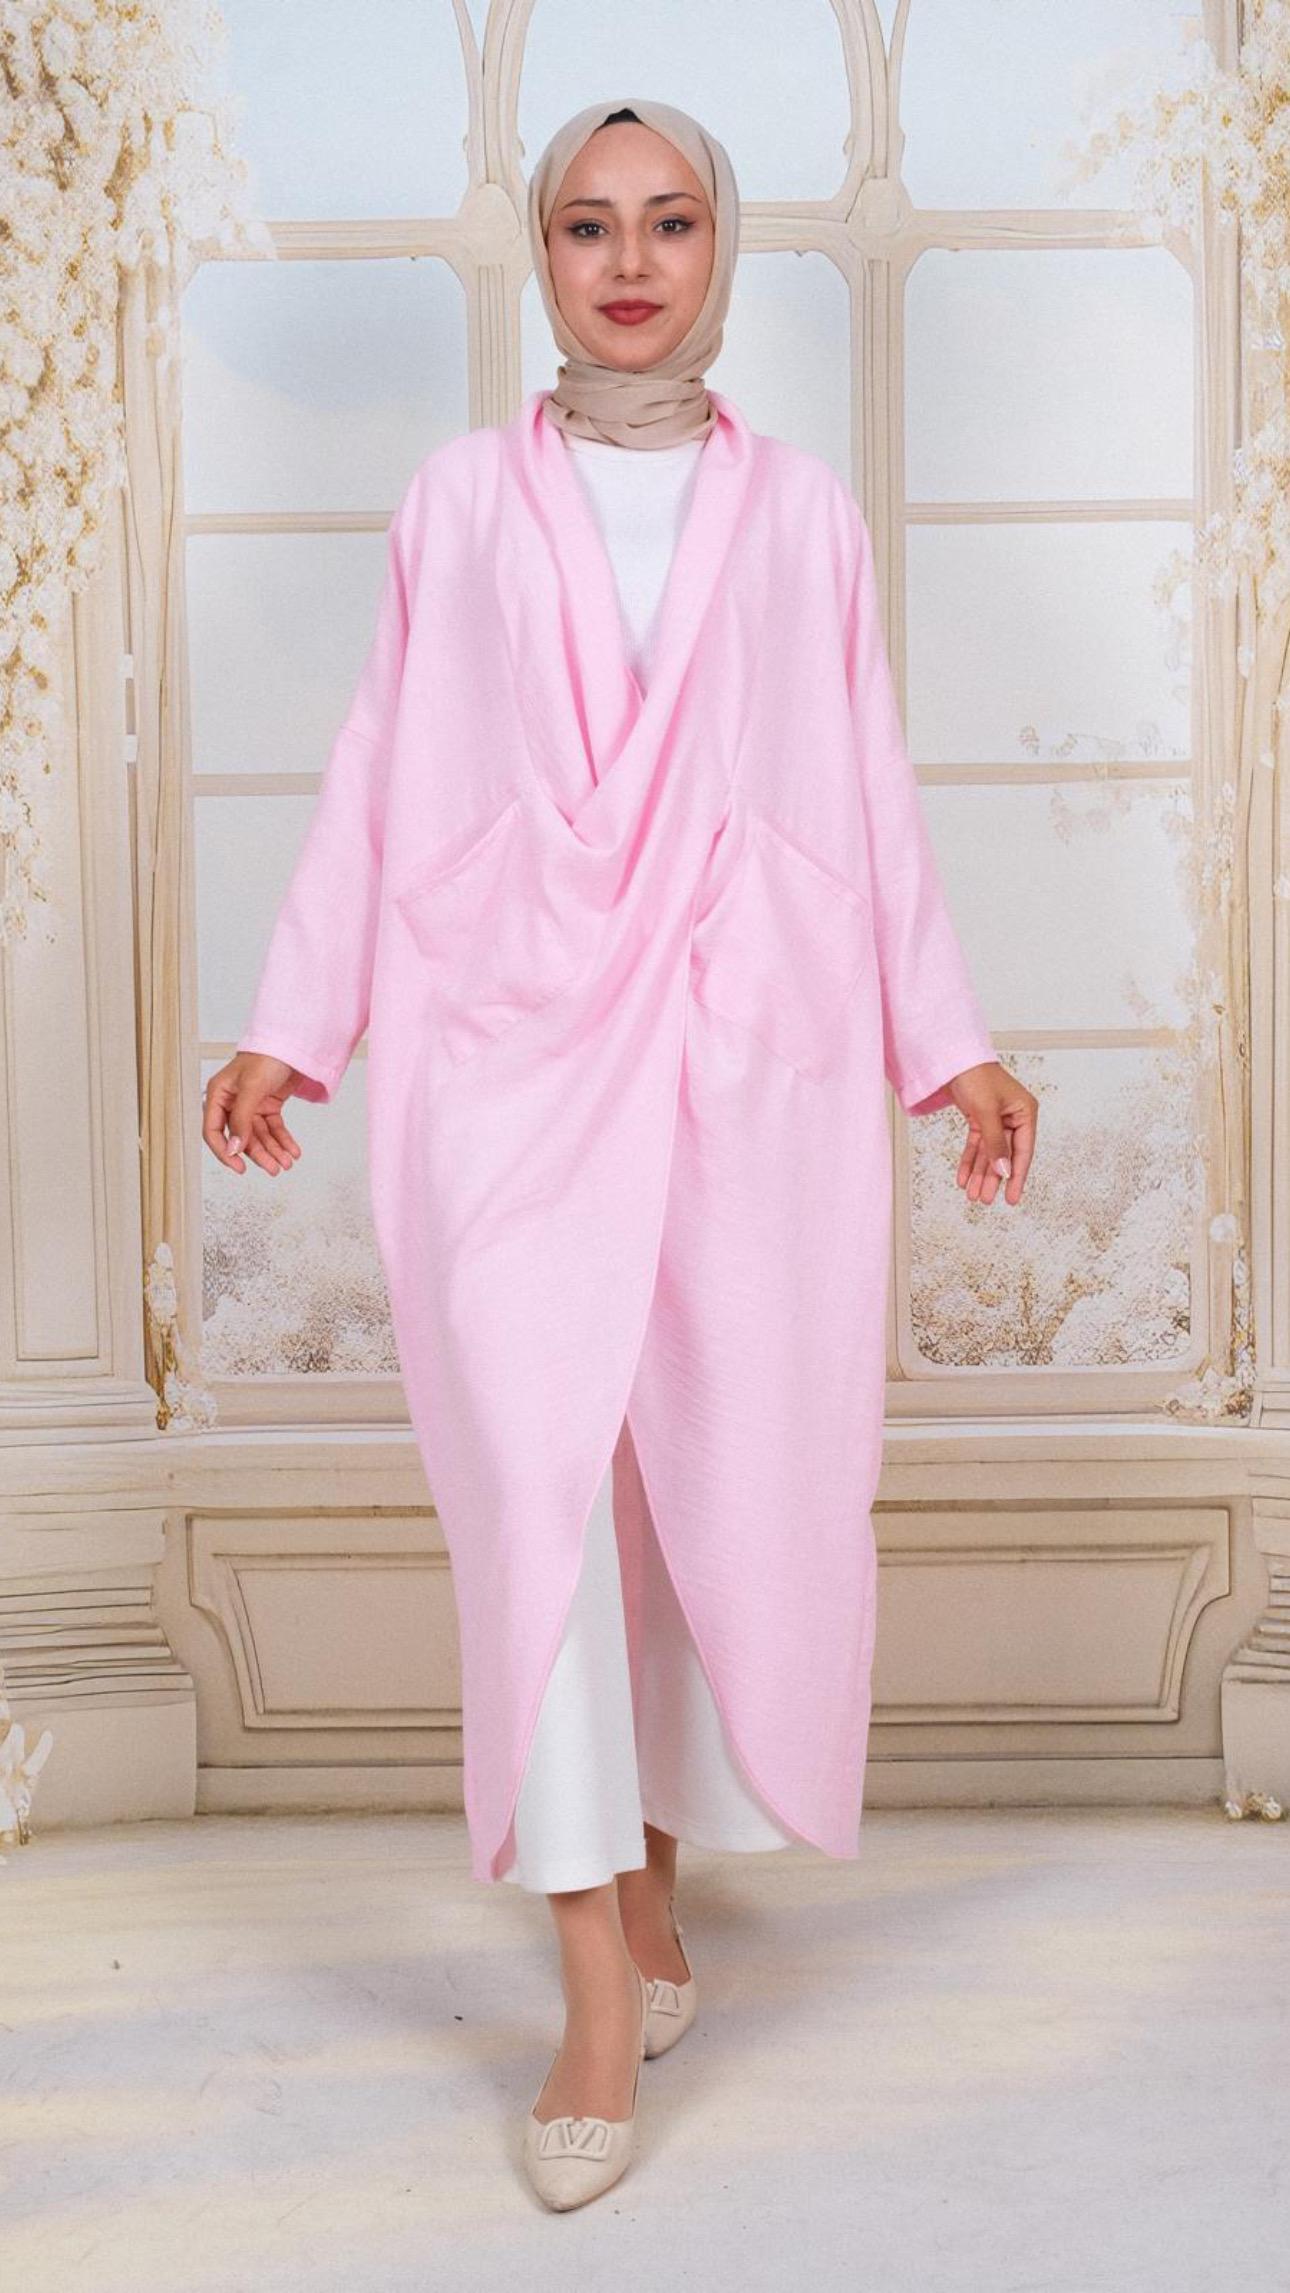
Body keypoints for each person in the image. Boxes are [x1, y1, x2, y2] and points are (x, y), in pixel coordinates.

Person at [203, 97, 1038, 2212]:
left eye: (670, 222)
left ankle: (652, 1883)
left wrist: (950, 1046)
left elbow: (867, 779)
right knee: (543, 1498)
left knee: (691, 1484)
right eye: (589, 225)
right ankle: (591, 1976)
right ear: (544, 254)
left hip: (745, 1055)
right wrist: (296, 1019)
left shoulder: (804, 517)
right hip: (504, 1053)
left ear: (721, 248)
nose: (632, 261)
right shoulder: (459, 502)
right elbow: (379, 761)